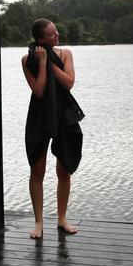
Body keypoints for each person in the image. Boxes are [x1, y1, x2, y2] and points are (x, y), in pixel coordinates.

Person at [22, 18, 84, 239]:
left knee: (63, 169)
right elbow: (38, 91)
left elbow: (68, 82)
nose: (56, 35)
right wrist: (41, 62)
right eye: (51, 34)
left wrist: (49, 62)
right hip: (40, 115)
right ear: (40, 39)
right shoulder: (27, 60)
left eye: (56, 31)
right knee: (37, 170)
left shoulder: (65, 54)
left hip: (63, 113)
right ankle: (38, 222)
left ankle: (61, 218)